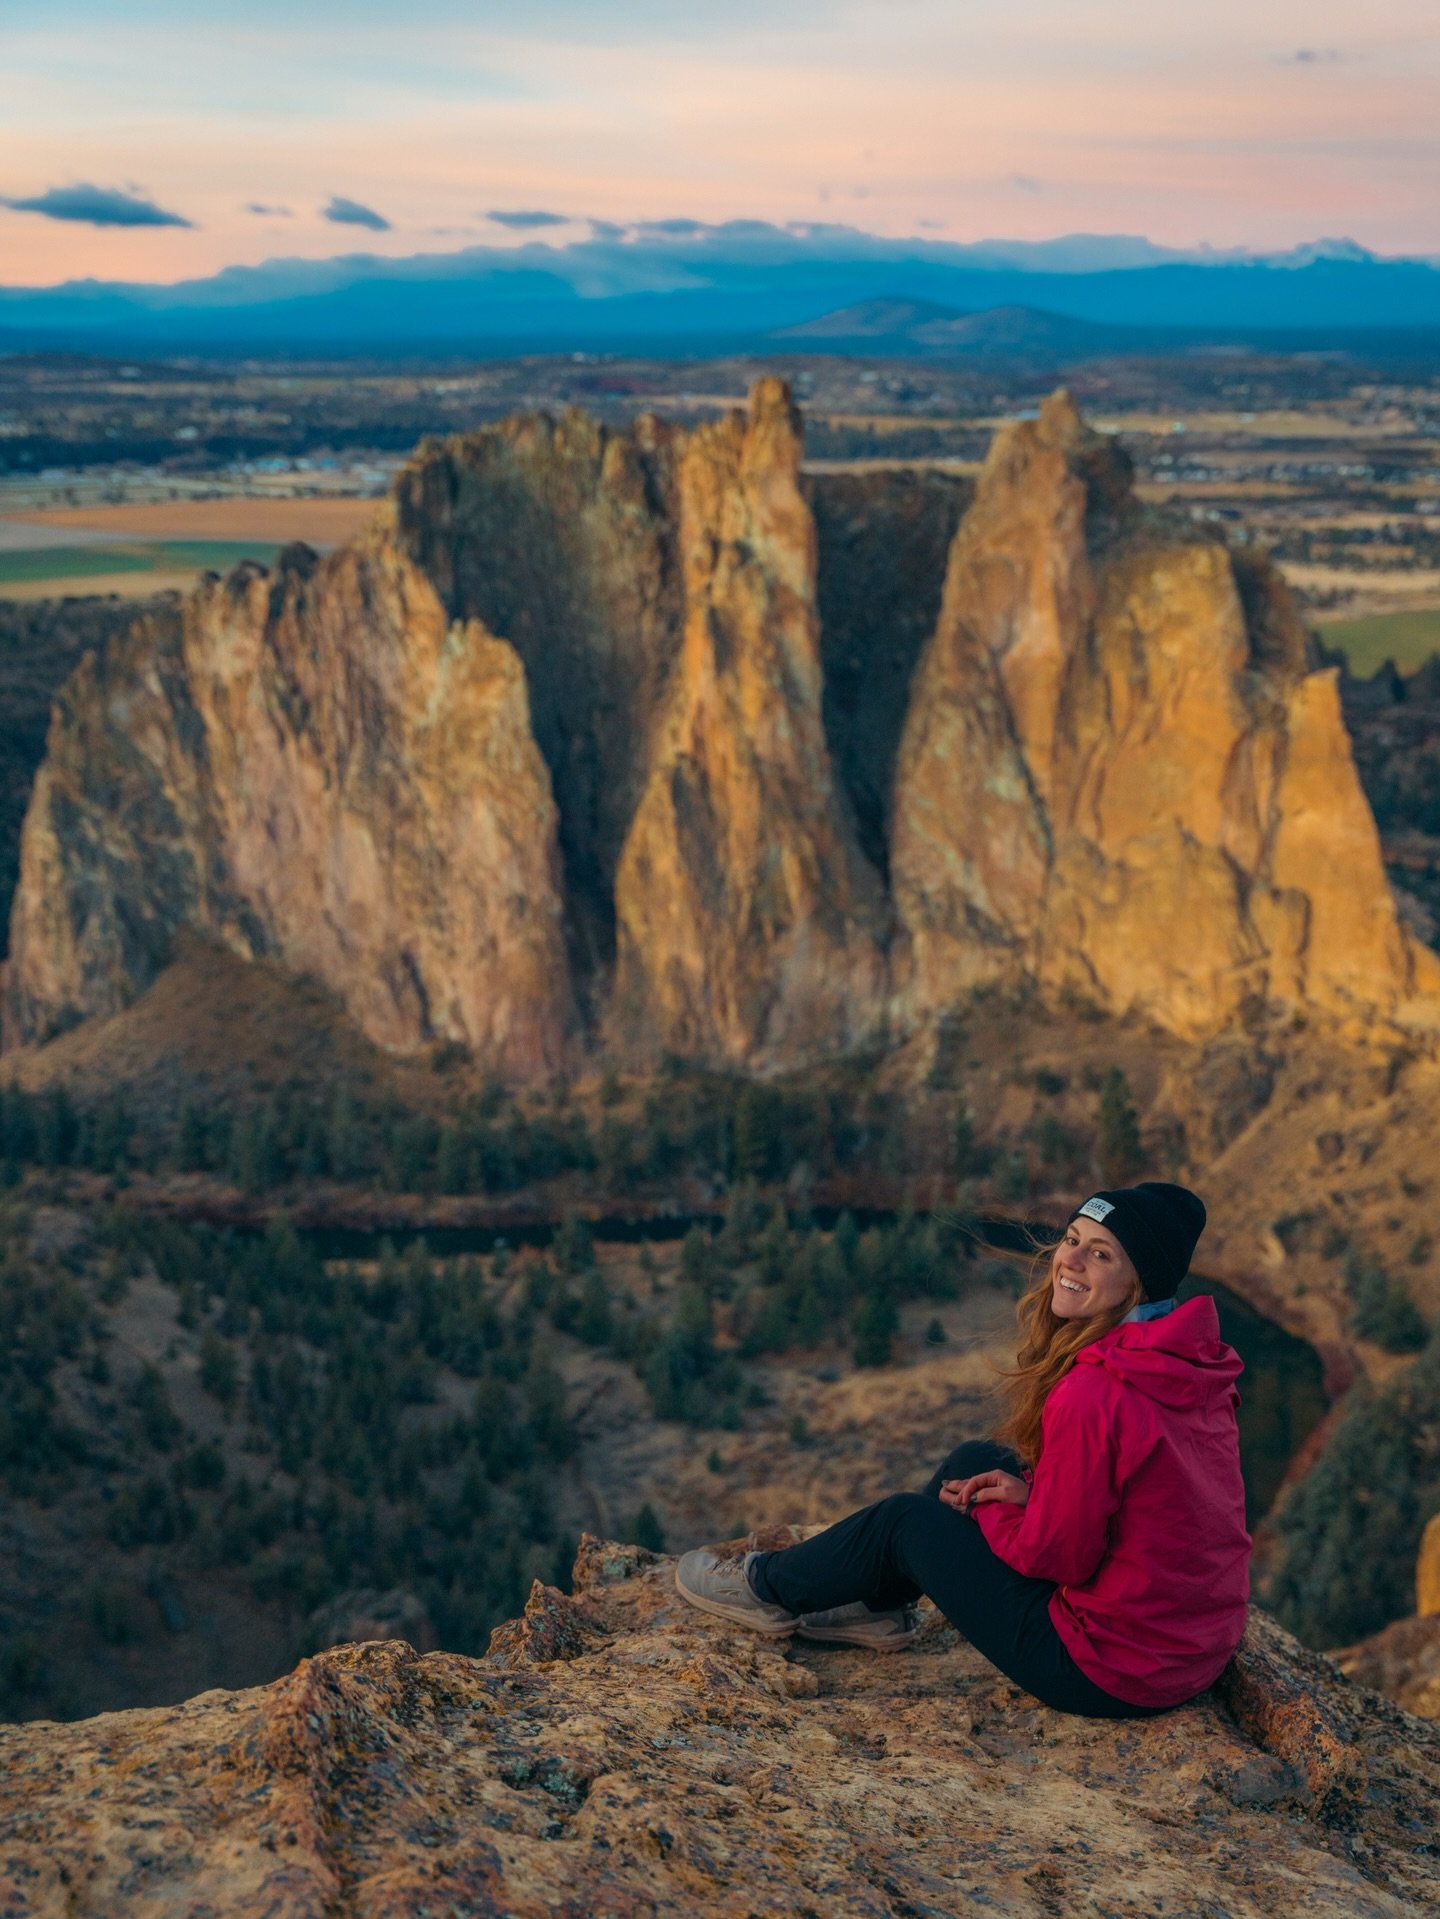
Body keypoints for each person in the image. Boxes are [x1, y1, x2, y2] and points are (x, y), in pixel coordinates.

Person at [675, 1182, 1251, 1717]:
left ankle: (764, 1588)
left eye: (1101, 1254)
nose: (1069, 1261)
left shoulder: (1095, 1391)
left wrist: (995, 1513)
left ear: (1140, 1282)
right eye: (1073, 1239)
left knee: (907, 1521)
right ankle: (876, 1606)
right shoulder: (1191, 1363)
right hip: (1189, 1651)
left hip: (1109, 1670)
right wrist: (1030, 1494)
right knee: (976, 1461)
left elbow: (1058, 1561)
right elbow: (1146, 1503)